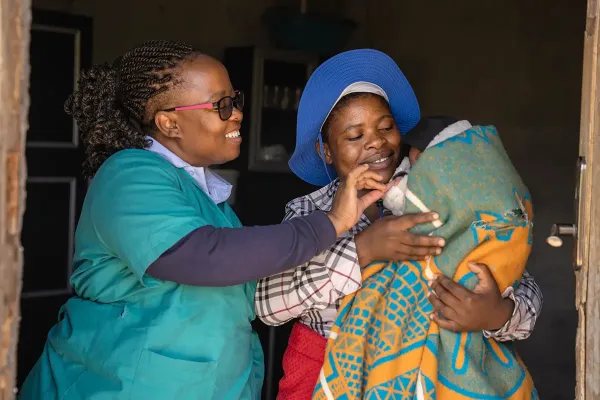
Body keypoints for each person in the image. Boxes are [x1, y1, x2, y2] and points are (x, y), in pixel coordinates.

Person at [18, 40, 391, 400]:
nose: (238, 113)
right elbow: (203, 255)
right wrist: (330, 223)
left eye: (236, 101)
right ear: (169, 123)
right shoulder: (129, 173)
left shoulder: (205, 197)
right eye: (222, 105)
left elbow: (255, 291)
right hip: (119, 385)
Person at [255, 49, 543, 399]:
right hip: (321, 369)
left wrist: (497, 313)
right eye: (354, 136)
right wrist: (363, 250)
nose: (375, 141)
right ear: (326, 152)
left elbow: (519, 278)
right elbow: (268, 303)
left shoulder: (440, 194)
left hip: (427, 370)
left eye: (385, 127)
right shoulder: (307, 211)